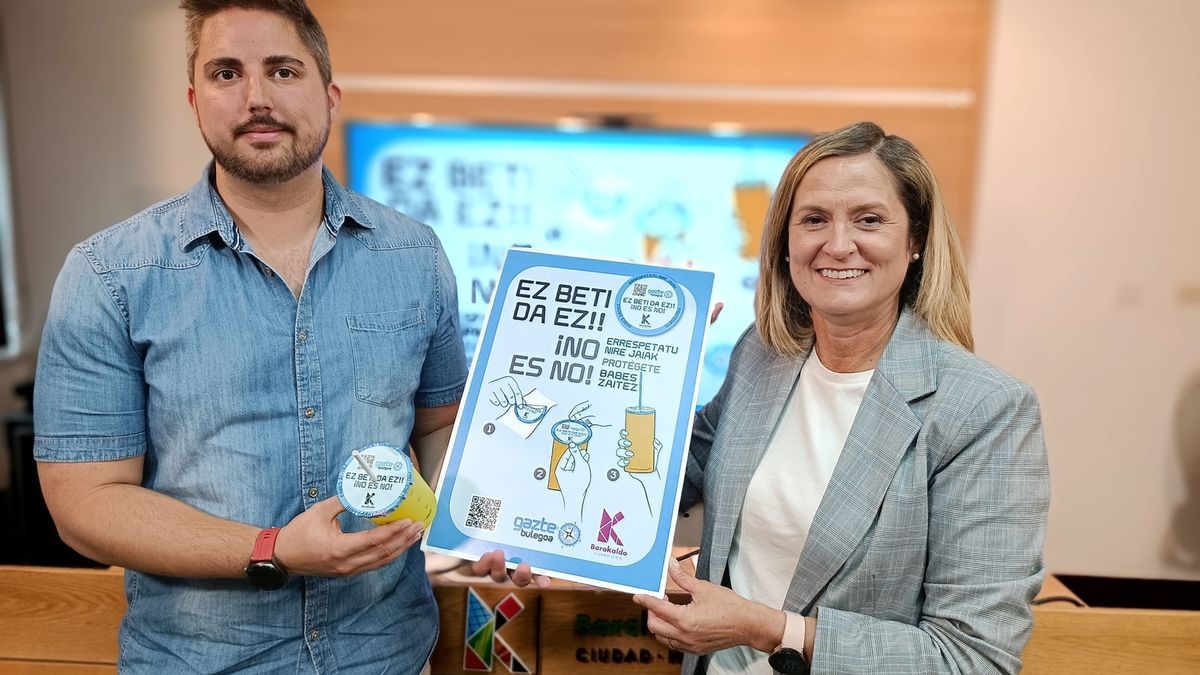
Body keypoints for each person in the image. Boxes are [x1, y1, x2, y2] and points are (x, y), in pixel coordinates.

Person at [33, 1, 538, 672]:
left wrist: (493, 524)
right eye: (226, 73)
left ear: (328, 94)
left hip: (386, 654)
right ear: (194, 101)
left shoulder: (414, 254)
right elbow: (84, 503)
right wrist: (269, 549)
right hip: (197, 661)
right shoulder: (108, 274)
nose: (256, 97)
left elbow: (438, 429)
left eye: (282, 70)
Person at [632, 121, 1050, 674]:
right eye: (813, 220)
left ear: (916, 240)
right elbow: (670, 474)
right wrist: (650, 369)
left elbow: (973, 659)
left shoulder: (986, 411)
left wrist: (769, 628)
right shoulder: (763, 353)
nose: (837, 244)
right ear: (784, 243)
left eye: (869, 220)